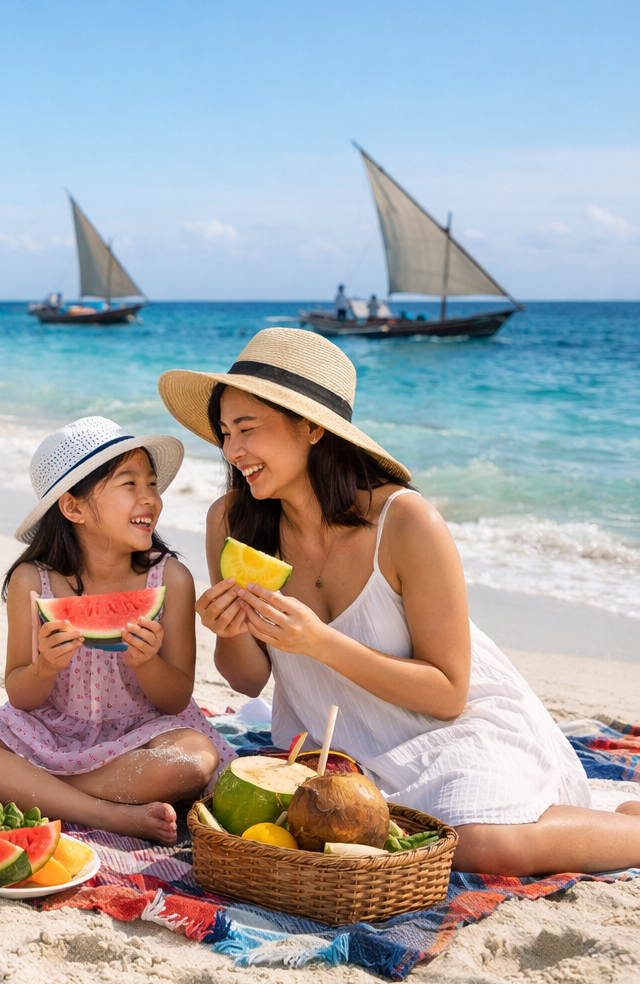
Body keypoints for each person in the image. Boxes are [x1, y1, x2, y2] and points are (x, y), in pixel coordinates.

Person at [157, 327, 640, 876]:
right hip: (342, 753)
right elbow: (244, 681)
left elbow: (449, 694)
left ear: (312, 426)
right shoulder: (230, 520)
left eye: (247, 429)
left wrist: (319, 642)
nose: (231, 450)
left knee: (475, 845)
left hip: (455, 730)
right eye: (224, 433)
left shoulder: (406, 522)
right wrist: (228, 627)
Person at [0, 418, 234, 844]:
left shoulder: (171, 579)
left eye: (152, 484)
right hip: (50, 732)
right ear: (73, 508)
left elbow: (175, 698)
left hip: (140, 737)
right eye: (129, 484)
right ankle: (107, 815)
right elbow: (21, 695)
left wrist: (147, 664)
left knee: (193, 761)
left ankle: (22, 787)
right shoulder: (33, 582)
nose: (151, 498)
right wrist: (45, 668)